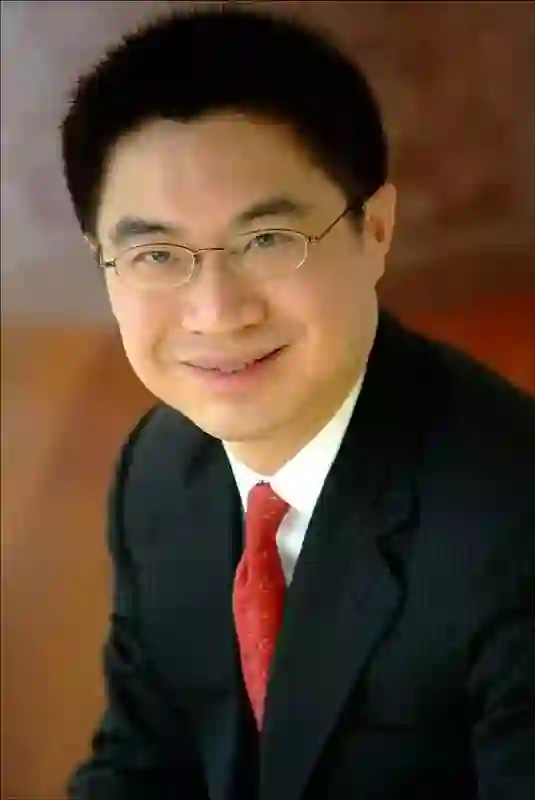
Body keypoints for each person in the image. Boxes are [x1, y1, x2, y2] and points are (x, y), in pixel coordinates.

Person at [60, 7, 535, 799]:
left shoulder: (512, 524)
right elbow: (142, 761)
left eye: (266, 241)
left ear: (374, 230)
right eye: (156, 254)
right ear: (103, 263)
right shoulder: (157, 470)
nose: (216, 312)